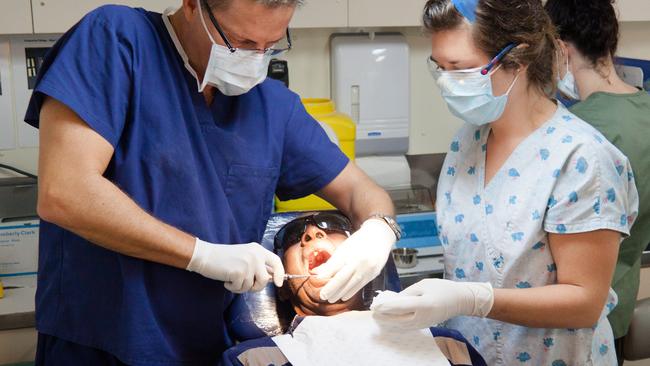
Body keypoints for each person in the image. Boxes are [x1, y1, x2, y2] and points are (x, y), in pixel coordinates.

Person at [24, 0, 399, 364]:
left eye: (272, 45)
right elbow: (65, 193)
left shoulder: (272, 106)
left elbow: (360, 192)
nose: (256, 58)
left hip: (205, 346)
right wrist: (202, 255)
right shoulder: (117, 41)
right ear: (192, 5)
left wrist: (379, 230)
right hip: (103, 344)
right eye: (242, 42)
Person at [371, 0, 639, 365]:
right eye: (441, 68)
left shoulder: (580, 159)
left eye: (462, 69)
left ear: (519, 57)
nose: (448, 83)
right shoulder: (467, 143)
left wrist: (473, 299)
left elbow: (584, 303)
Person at [222, 212, 487, 366]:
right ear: (283, 287)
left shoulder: (446, 344)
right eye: (294, 237)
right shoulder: (252, 360)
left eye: (332, 226)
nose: (312, 235)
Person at [545, 1, 650, 363]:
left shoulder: (578, 132)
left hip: (570, 320)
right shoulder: (646, 109)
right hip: (617, 302)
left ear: (559, 48)